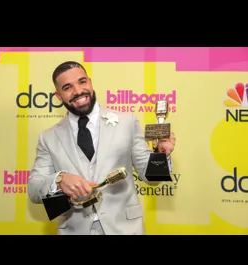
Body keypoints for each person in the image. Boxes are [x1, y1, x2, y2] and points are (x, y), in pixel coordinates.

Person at [27, 61, 176, 235]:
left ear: (90, 82)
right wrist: (59, 179)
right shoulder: (48, 137)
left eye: (82, 82)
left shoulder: (127, 122)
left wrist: (161, 154)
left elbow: (151, 177)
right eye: (67, 87)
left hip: (125, 229)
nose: (78, 91)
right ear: (59, 96)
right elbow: (34, 189)